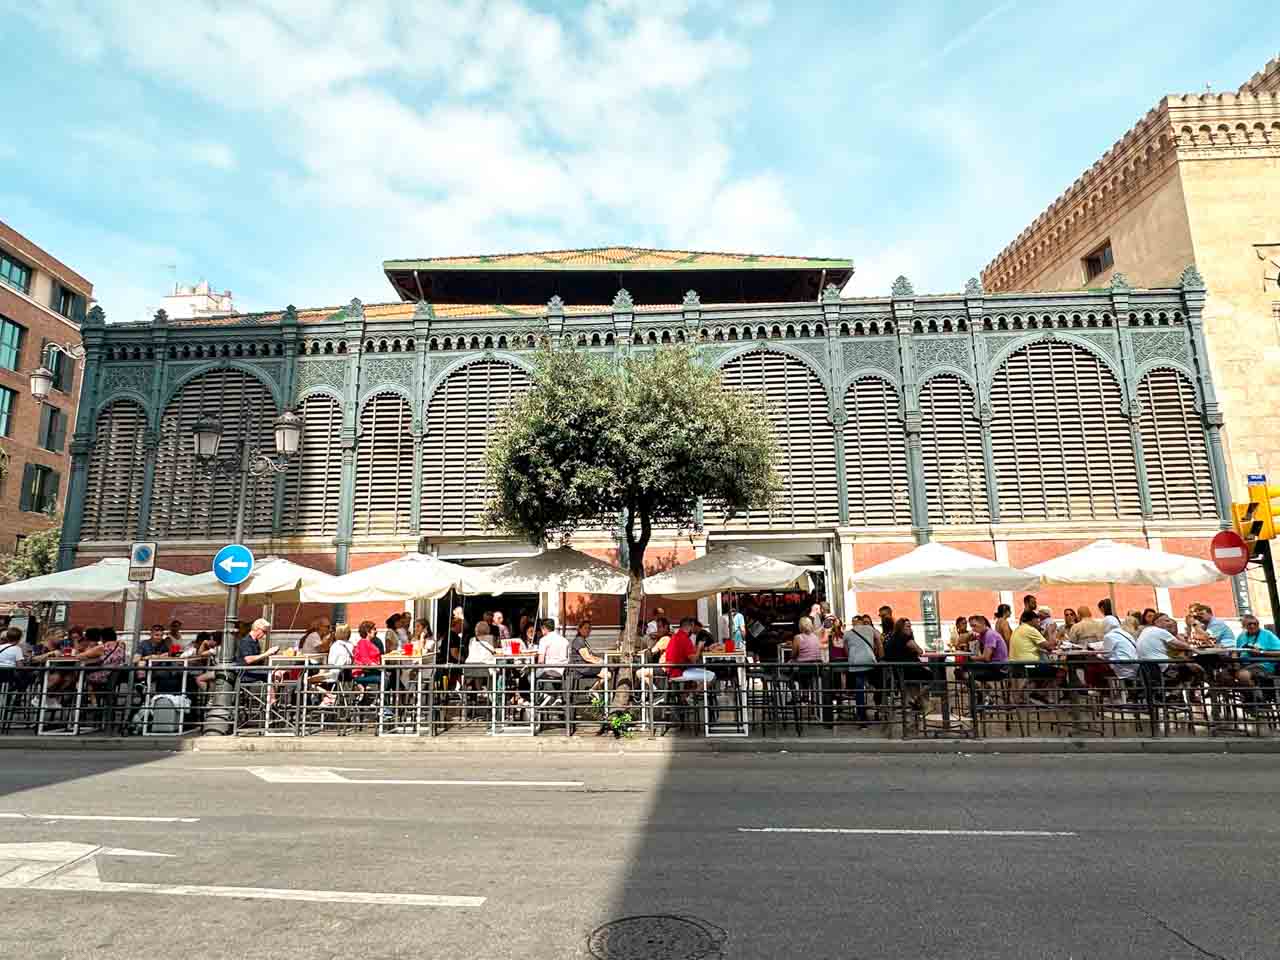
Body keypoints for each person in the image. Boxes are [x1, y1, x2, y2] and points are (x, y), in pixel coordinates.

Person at [1136, 614, 1203, 689]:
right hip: (1162, 668)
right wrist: (1194, 649)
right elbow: (1178, 644)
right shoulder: (1160, 631)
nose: (1169, 623)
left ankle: (1183, 691)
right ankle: (1194, 693)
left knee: (1186, 668)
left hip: (1149, 668)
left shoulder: (1147, 630)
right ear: (1157, 622)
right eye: (1166, 621)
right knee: (1197, 668)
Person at [884, 618, 930, 711]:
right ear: (901, 628)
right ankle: (916, 698)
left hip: (896, 672)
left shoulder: (892, 639)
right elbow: (920, 651)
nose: (911, 629)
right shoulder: (905, 638)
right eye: (908, 627)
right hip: (908, 670)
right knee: (932, 676)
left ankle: (915, 703)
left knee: (915, 682)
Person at [845, 615, 881, 723]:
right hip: (870, 662)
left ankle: (862, 717)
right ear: (862, 622)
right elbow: (880, 640)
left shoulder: (847, 633)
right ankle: (878, 710)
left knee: (859, 690)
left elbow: (846, 650)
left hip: (856, 663)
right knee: (877, 685)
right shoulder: (870, 629)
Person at [1235, 614, 1280, 693]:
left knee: (1243, 675)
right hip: (1244, 665)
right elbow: (1236, 651)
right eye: (1249, 624)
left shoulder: (1267, 634)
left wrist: (1261, 652)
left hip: (1263, 665)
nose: (1252, 626)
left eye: (1255, 624)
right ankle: (1250, 695)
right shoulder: (1241, 637)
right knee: (1223, 676)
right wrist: (1234, 658)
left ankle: (1259, 699)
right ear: (1244, 626)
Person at [236, 619, 278, 683]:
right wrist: (267, 653)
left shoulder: (255, 641)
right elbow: (248, 659)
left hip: (253, 671)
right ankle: (274, 692)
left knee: (277, 673)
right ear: (257, 629)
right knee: (271, 675)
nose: (265, 634)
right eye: (264, 631)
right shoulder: (246, 641)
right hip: (245, 674)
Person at [968, 614, 1009, 680]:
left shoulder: (990, 634)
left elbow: (986, 657)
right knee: (966, 669)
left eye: (974, 626)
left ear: (983, 623)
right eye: (971, 626)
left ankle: (982, 688)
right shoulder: (983, 635)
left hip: (1000, 668)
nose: (973, 629)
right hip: (994, 665)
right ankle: (983, 688)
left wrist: (972, 658)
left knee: (969, 672)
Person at [1103, 616, 1141, 684]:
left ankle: (1101, 690)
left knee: (1096, 667)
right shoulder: (1124, 633)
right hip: (1135, 665)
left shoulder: (1109, 636)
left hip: (1123, 667)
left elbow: (1106, 654)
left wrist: (1097, 654)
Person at [0, 626, 31, 691]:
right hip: (8, 676)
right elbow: (19, 666)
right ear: (19, 639)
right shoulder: (17, 649)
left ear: (7, 637)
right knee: (28, 677)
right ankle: (18, 697)